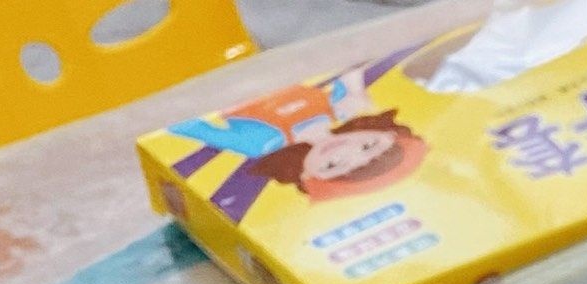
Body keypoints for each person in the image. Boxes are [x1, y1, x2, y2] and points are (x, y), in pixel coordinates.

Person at [171, 74, 427, 202]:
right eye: (368, 146)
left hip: (212, 79)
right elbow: (353, 61)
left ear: (308, 176)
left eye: (333, 165)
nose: (345, 150)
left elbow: (182, 124)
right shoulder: (343, 106)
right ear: (386, 133)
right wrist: (356, 90)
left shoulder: (259, 144)